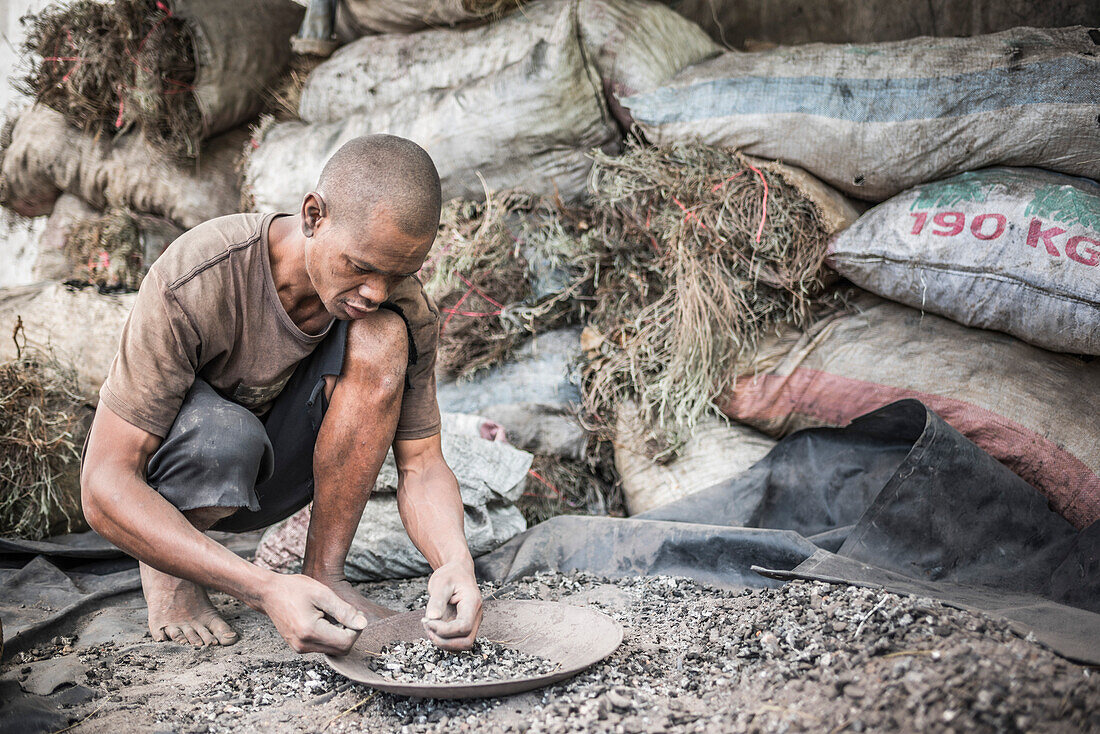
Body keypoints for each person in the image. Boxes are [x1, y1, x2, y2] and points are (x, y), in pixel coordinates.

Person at [80, 135, 482, 655]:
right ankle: (170, 575)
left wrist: (455, 562)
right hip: (187, 476)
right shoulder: (197, 277)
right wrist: (264, 587)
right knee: (227, 436)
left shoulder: (400, 307)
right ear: (313, 216)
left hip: (281, 478)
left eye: (399, 273)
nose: (378, 291)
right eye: (361, 266)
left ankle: (325, 573)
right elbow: (103, 482)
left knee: (385, 337)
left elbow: (423, 463)